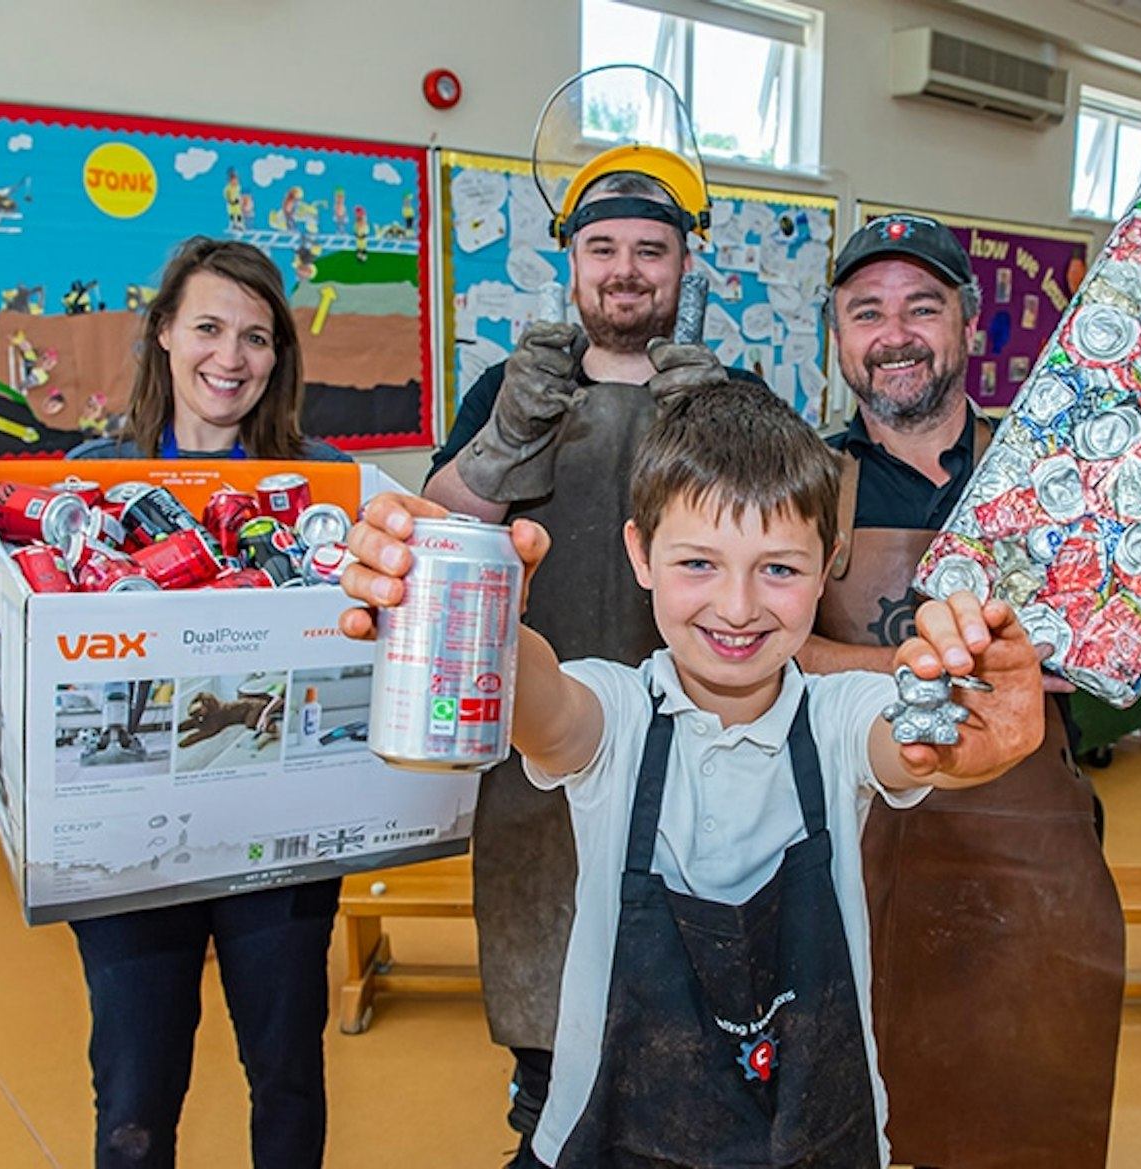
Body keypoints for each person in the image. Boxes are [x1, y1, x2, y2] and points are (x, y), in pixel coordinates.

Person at [340, 380, 1053, 1167]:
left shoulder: (841, 716)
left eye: (779, 567)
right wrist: (477, 611)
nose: (738, 606)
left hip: (818, 1132)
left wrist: (975, 739)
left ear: (830, 565)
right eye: (698, 563)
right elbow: (541, 700)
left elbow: (910, 743)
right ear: (641, 553)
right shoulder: (615, 715)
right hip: (609, 1135)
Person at [804, 213, 1141, 1169]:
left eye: (921, 306)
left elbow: (1130, 664)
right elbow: (764, 655)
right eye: (865, 312)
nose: (894, 333)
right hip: (848, 844)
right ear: (839, 337)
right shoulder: (805, 482)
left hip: (1025, 844)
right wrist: (918, 665)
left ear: (969, 323)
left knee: (1024, 1113)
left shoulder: (1062, 469)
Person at [0, 237, 348, 1168]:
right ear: (163, 332)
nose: (229, 358)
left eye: (256, 336)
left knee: (286, 1071)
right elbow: (22, 624)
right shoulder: (85, 477)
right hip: (128, 840)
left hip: (274, 834)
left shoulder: (323, 485)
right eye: (207, 327)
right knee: (133, 1089)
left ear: (279, 354)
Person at [423, 166, 757, 1162]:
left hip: (702, 757)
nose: (625, 272)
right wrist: (502, 444)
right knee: (548, 1027)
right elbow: (439, 536)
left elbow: (794, 555)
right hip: (541, 755)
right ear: (571, 263)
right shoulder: (508, 385)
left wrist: (729, 445)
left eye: (649, 251)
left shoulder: (731, 391)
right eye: (603, 249)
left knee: (693, 1029)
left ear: (682, 265)